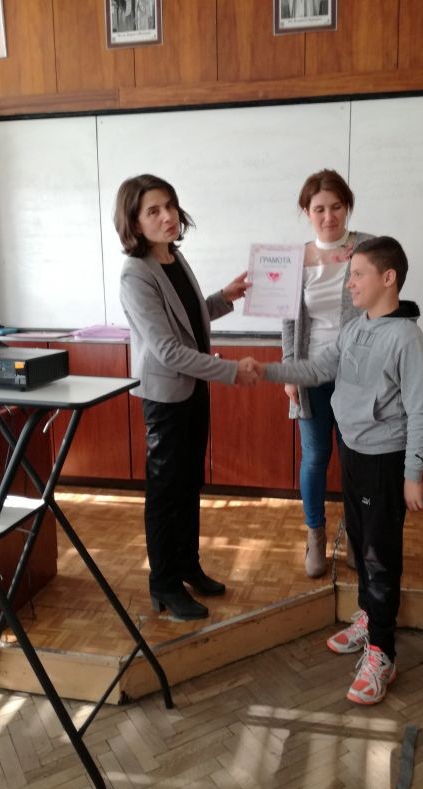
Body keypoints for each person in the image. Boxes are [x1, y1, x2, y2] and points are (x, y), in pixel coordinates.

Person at [256, 236, 423, 704]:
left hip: (385, 460)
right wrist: (268, 372)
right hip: (354, 451)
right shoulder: (356, 327)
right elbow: (318, 368)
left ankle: (383, 651)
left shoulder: (407, 339)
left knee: (380, 554)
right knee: (359, 539)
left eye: (357, 274)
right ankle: (369, 618)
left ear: (388, 278)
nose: (349, 283)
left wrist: (413, 472)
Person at [115, 174, 258, 622]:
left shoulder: (173, 257)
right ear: (134, 222)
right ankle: (163, 583)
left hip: (193, 389)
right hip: (165, 396)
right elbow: (169, 350)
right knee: (165, 492)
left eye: (170, 206)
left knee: (189, 482)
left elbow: (189, 320)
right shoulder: (136, 273)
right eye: (153, 211)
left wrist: (224, 297)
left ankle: (187, 565)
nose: (167, 216)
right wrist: (231, 372)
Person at [283, 169, 372, 578]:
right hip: (312, 372)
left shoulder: (369, 248)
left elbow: (385, 302)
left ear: (347, 207)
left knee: (356, 458)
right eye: (319, 208)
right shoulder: (294, 258)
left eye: (336, 207)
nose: (329, 216)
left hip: (358, 373)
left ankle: (356, 534)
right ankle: (315, 536)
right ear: (307, 211)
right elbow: (288, 321)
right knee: (316, 456)